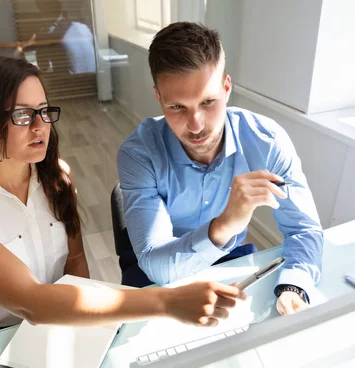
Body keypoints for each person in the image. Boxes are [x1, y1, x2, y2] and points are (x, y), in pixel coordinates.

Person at [0, 56, 244, 348]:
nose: (40, 127)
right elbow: (30, 301)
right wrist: (166, 302)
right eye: (22, 115)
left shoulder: (57, 177)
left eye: (44, 111)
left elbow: (75, 261)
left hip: (53, 325)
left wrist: (88, 327)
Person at [117, 22, 323, 316]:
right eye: (177, 107)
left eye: (208, 102)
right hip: (156, 267)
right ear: (159, 98)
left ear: (227, 88)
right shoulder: (138, 153)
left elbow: (303, 227)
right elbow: (155, 265)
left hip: (229, 258)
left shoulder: (267, 141)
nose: (196, 125)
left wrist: (295, 285)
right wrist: (224, 224)